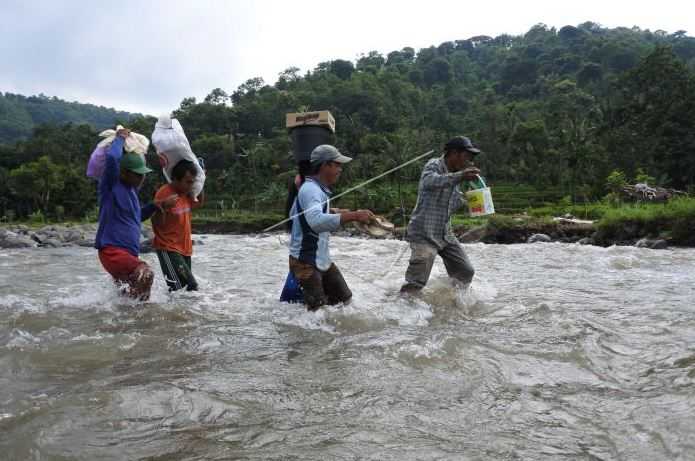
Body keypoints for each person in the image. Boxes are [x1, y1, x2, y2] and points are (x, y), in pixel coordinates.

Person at [288, 144, 375, 311]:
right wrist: (355, 216)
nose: (340, 169)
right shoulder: (311, 190)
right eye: (337, 164)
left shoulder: (316, 189)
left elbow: (297, 213)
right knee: (317, 312)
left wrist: (337, 211)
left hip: (321, 259)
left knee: (345, 302)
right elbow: (316, 221)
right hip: (305, 262)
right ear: (325, 165)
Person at [95, 128, 176, 300]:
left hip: (127, 254)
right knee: (145, 273)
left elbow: (137, 217)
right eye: (137, 174)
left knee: (127, 295)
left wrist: (157, 205)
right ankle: (140, 315)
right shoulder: (110, 186)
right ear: (123, 173)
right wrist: (119, 138)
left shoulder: (131, 192)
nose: (142, 178)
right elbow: (111, 158)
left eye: (143, 174)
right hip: (112, 251)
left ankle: (130, 322)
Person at [400, 136, 483, 294]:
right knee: (417, 282)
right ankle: (403, 307)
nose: (469, 162)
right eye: (467, 156)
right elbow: (429, 182)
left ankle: (452, 299)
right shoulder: (434, 165)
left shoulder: (456, 177)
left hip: (445, 235)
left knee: (466, 271)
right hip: (423, 234)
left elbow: (453, 203)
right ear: (453, 153)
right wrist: (460, 176)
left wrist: (472, 200)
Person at [152, 159, 203, 291]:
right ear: (175, 179)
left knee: (185, 291)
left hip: (185, 248)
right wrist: (163, 207)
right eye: (188, 182)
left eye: (193, 182)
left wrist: (201, 183)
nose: (191, 185)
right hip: (168, 248)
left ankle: (173, 312)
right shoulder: (164, 193)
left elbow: (199, 203)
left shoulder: (187, 194)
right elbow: (156, 223)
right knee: (187, 287)